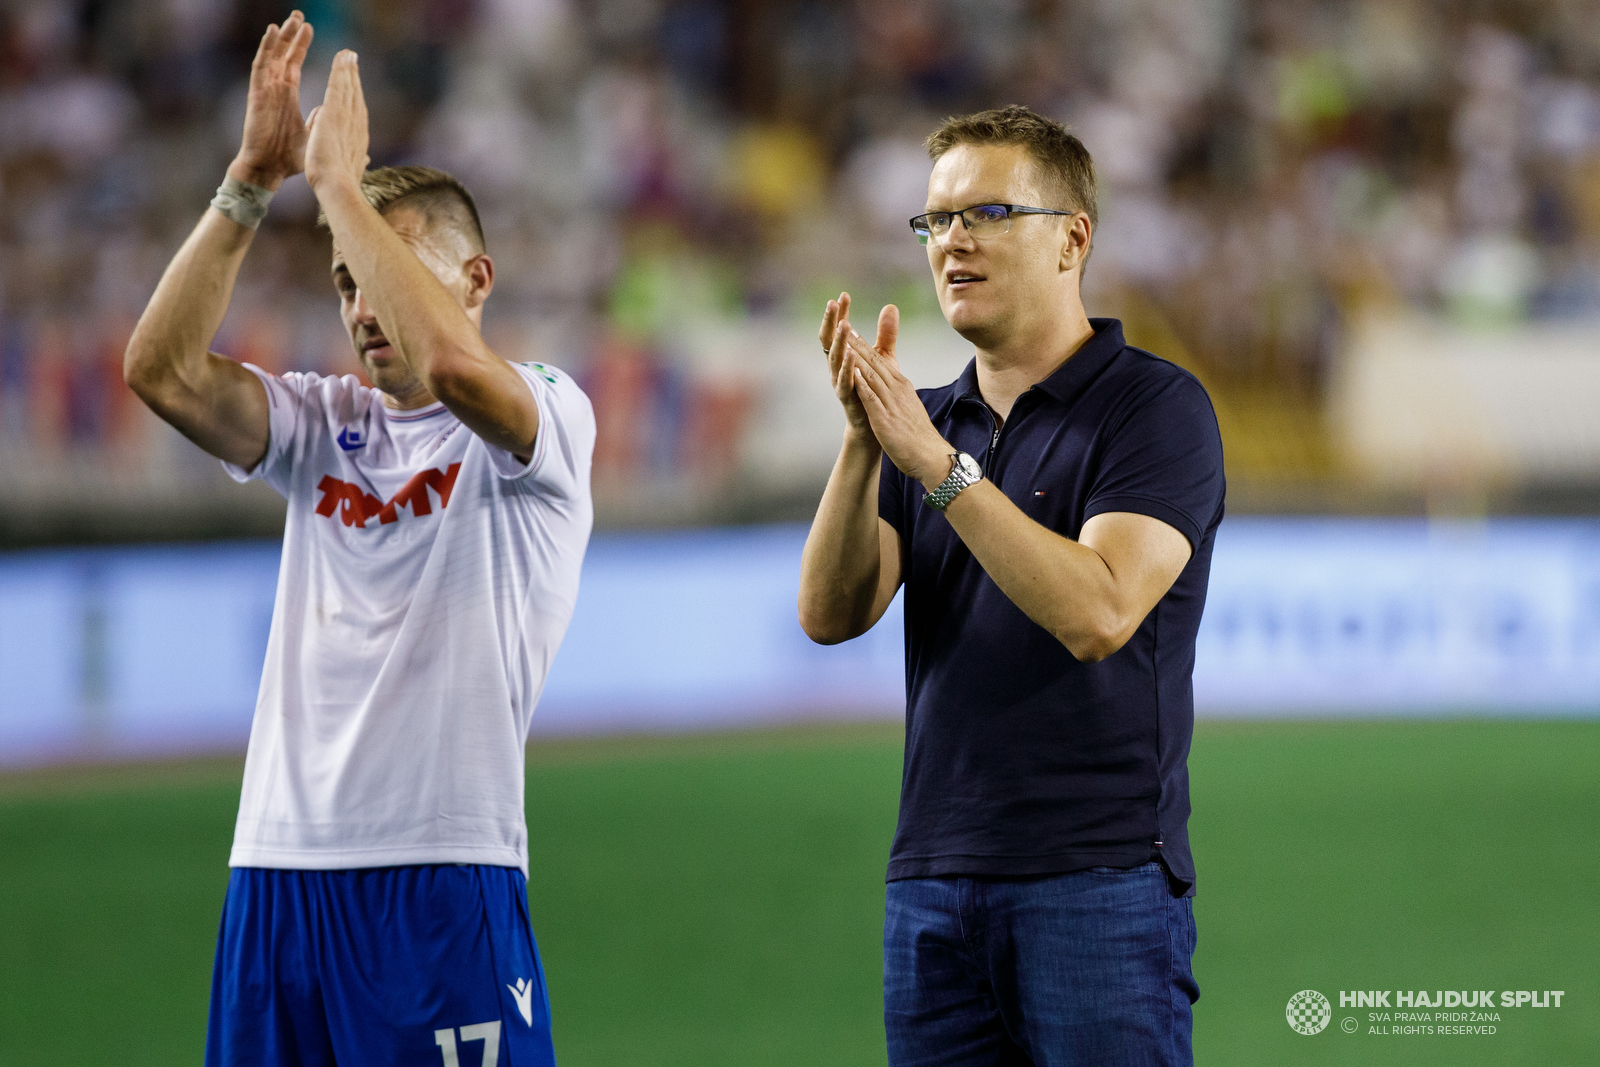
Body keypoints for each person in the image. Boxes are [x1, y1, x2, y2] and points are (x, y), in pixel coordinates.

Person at [122, 13, 594, 1066]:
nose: (361, 305)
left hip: (444, 872)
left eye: (382, 276)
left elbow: (465, 376)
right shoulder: (321, 422)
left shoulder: (550, 413)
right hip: (275, 873)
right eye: (344, 282)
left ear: (475, 283)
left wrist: (339, 189)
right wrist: (251, 179)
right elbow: (159, 372)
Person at [798, 104, 1225, 1066]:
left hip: (1099, 880)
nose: (952, 239)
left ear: (1073, 238)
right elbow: (829, 615)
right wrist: (866, 443)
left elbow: (1101, 610)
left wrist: (939, 465)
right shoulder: (926, 418)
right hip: (932, 883)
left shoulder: (1155, 408)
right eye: (936, 219)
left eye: (987, 213)